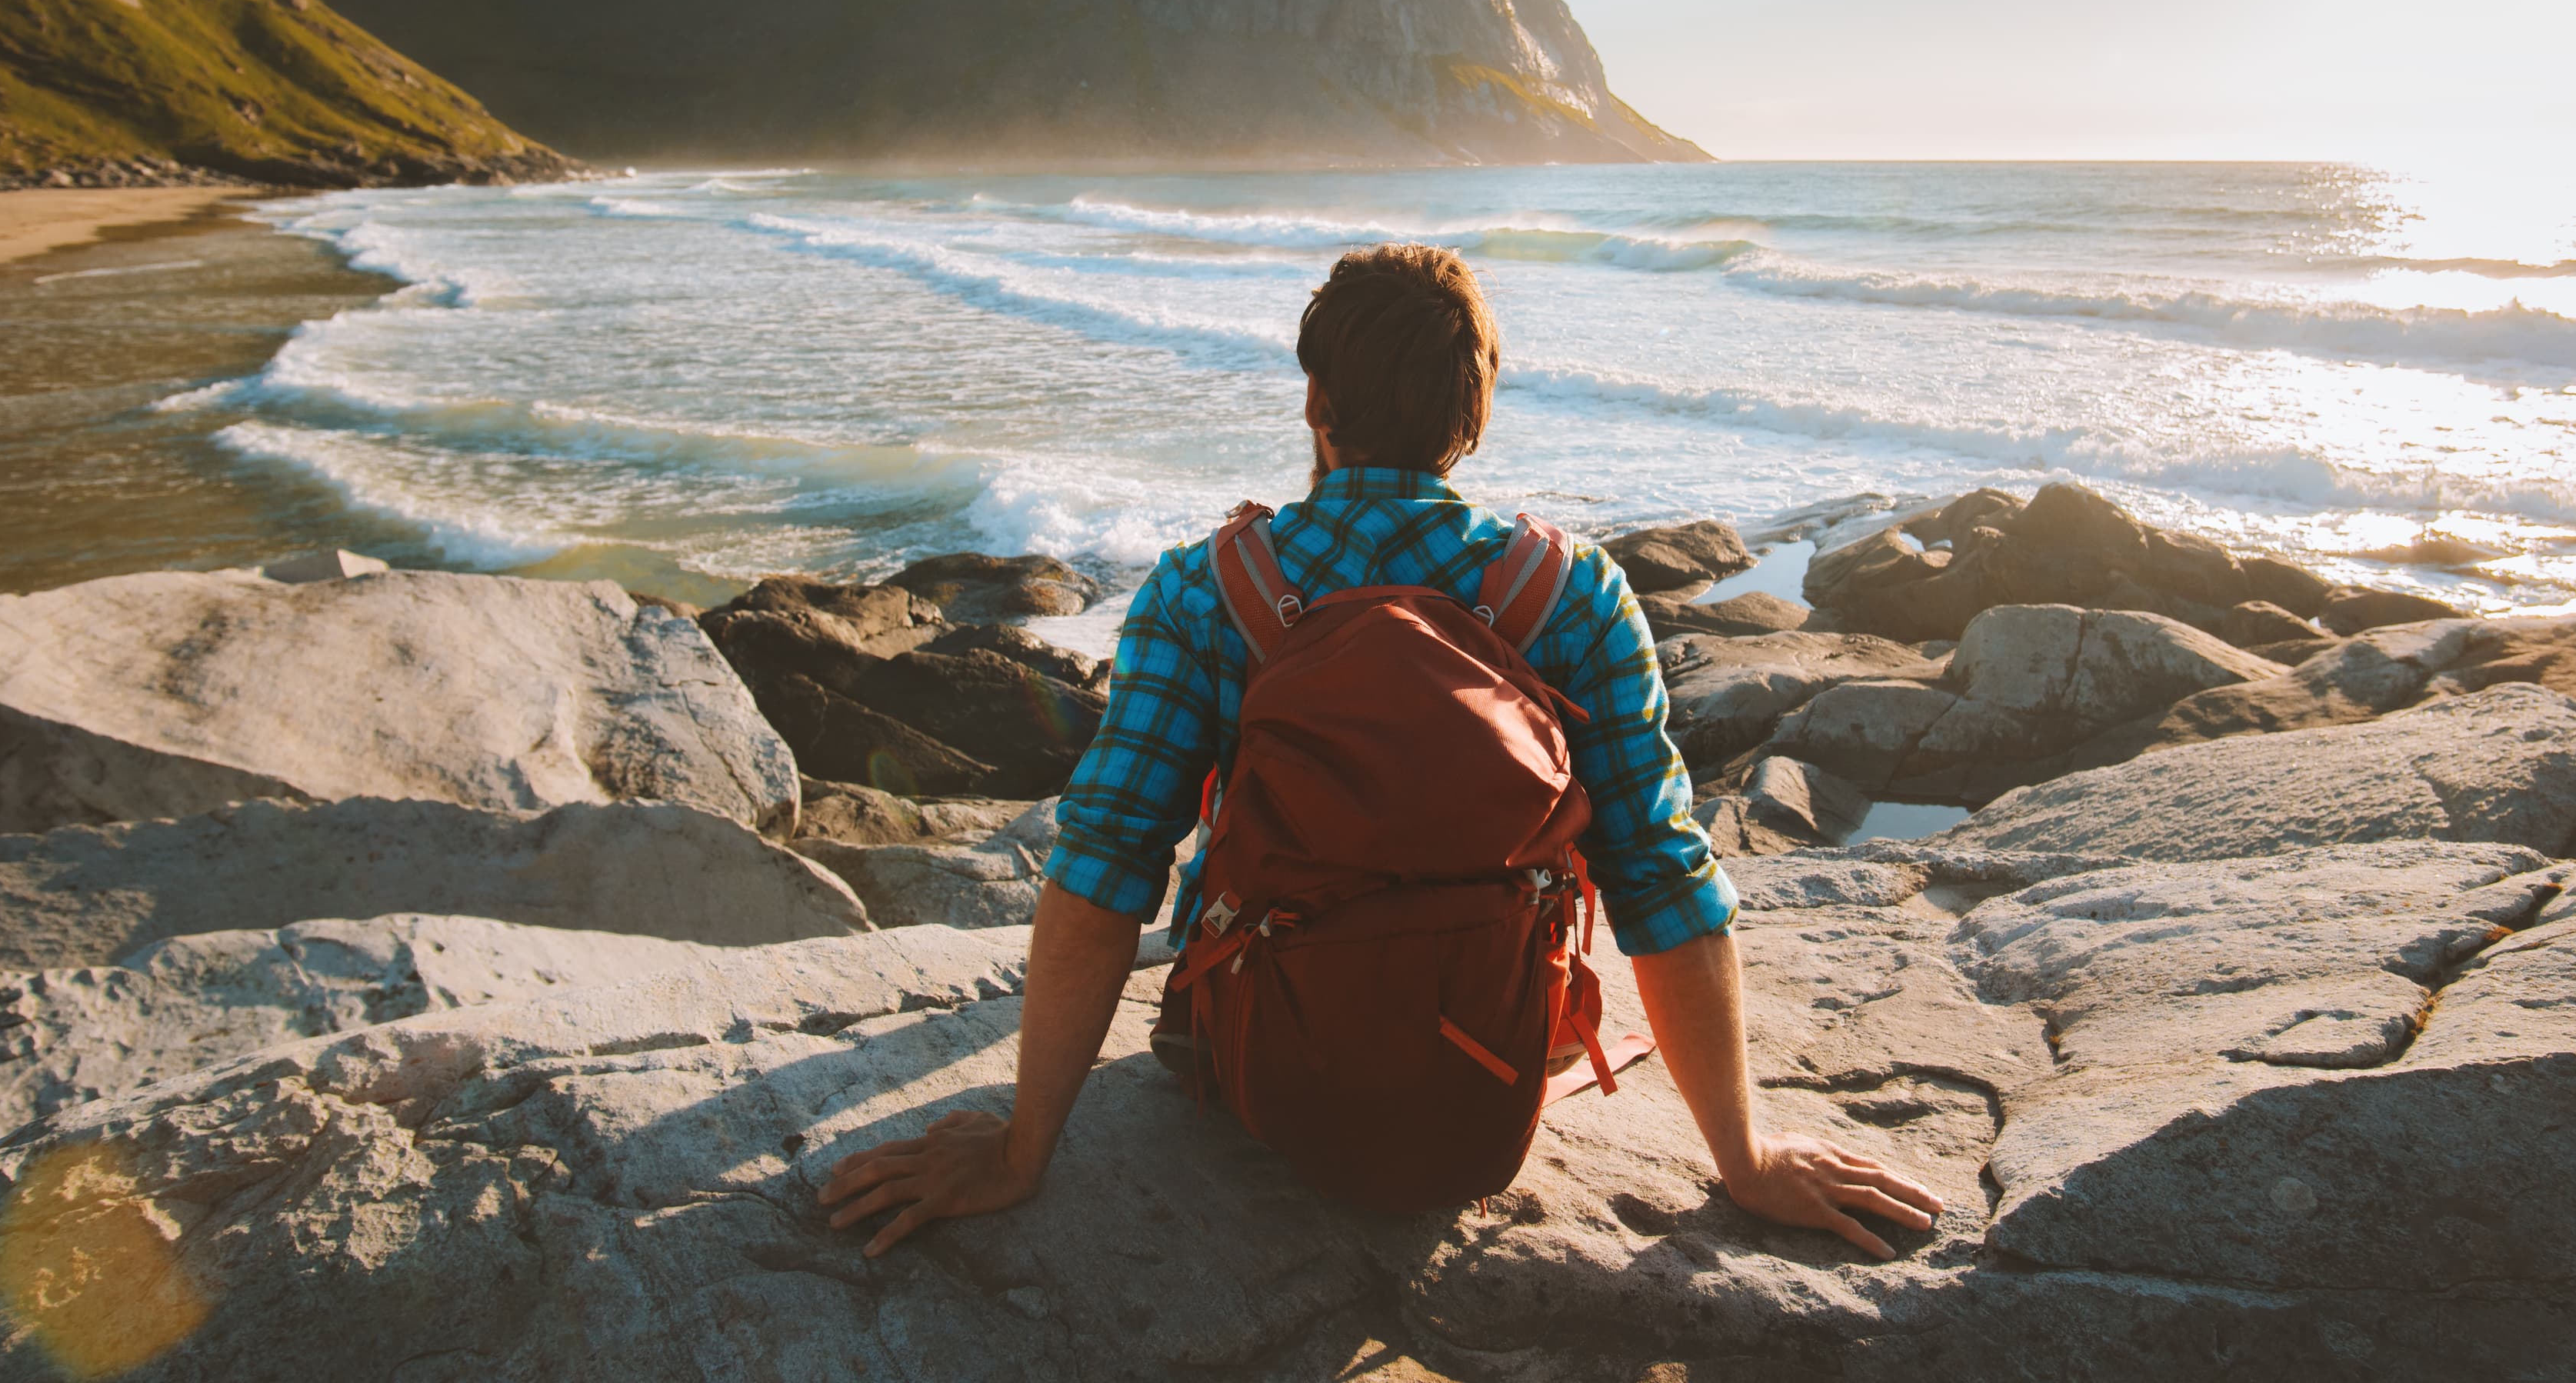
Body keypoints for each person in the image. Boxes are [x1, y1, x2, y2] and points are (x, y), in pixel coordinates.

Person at [820, 244, 1941, 1255]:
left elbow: (1104, 861)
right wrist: (1743, 1161)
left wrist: (1024, 1151)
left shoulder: (1212, 589)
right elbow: (1661, 869)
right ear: (1477, 410)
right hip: (1500, 1060)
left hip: (1250, 1068)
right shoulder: (1574, 594)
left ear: (1317, 399)